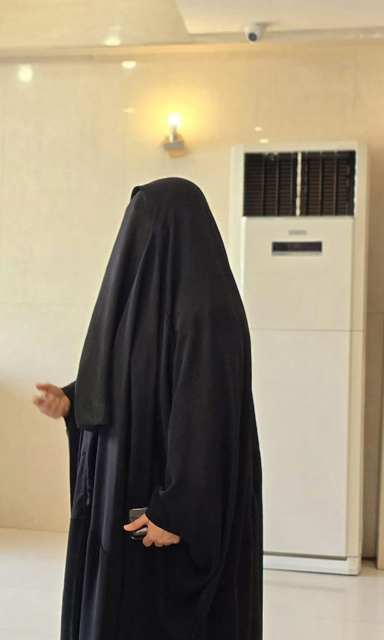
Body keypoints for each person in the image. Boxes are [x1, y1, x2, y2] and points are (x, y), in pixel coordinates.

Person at [34, 178, 263, 640]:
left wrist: (178, 511)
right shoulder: (142, 310)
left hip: (163, 514)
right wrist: (75, 401)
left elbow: (209, 421)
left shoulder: (208, 315)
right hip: (129, 500)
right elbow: (129, 379)